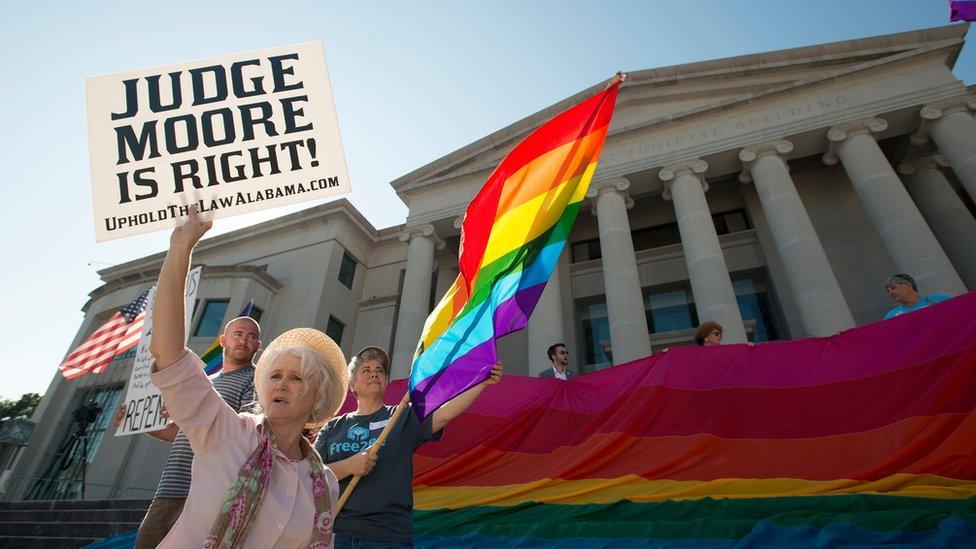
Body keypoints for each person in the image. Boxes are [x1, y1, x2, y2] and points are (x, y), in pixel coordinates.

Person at [148, 205, 348, 547]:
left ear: (319, 397)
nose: (282, 383)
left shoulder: (325, 484)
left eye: (297, 378)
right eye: (275, 375)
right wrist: (181, 247)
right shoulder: (226, 432)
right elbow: (168, 355)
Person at [316, 346, 502, 548]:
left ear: (386, 382)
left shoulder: (402, 416)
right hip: (336, 534)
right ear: (352, 384)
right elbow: (311, 474)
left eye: (379, 370)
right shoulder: (333, 426)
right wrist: (350, 466)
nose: (374, 373)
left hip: (388, 536)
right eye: (366, 370)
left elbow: (445, 413)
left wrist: (480, 382)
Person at [113, 315, 260, 549]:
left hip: (211, 490)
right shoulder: (205, 382)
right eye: (238, 334)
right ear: (223, 340)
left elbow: (245, 436)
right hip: (170, 487)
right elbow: (181, 434)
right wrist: (137, 421)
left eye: (252, 336)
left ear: (258, 346)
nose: (244, 341)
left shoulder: (256, 382)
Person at [883, 273, 951, 319]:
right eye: (888, 291)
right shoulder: (891, 316)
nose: (891, 292)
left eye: (893, 288)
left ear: (908, 285)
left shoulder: (940, 300)